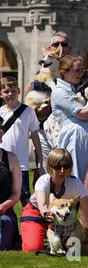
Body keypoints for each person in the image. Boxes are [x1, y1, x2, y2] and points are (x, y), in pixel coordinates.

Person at [20, 148, 88, 252]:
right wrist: (47, 214)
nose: (62, 171)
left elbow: (87, 211)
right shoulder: (43, 181)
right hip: (36, 212)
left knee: (72, 248)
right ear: (50, 167)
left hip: (63, 217)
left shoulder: (76, 183)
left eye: (66, 166)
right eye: (58, 167)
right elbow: (42, 205)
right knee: (33, 248)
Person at [51, 55, 88, 182]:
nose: (81, 73)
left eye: (82, 70)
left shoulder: (77, 88)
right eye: (77, 70)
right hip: (74, 138)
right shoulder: (60, 91)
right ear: (64, 72)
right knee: (77, 174)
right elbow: (82, 114)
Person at [0, 76, 43, 206]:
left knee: (26, 202)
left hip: (22, 164)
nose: (10, 94)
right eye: (6, 91)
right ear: (1, 94)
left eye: (13, 91)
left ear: (19, 91)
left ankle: (27, 226)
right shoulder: (0, 112)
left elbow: (35, 135)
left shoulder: (28, 111)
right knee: (4, 200)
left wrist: (40, 158)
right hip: (3, 165)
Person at [0, 116, 21, 250]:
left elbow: (16, 193)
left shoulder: (11, 158)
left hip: (4, 212)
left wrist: (2, 207)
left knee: (2, 245)